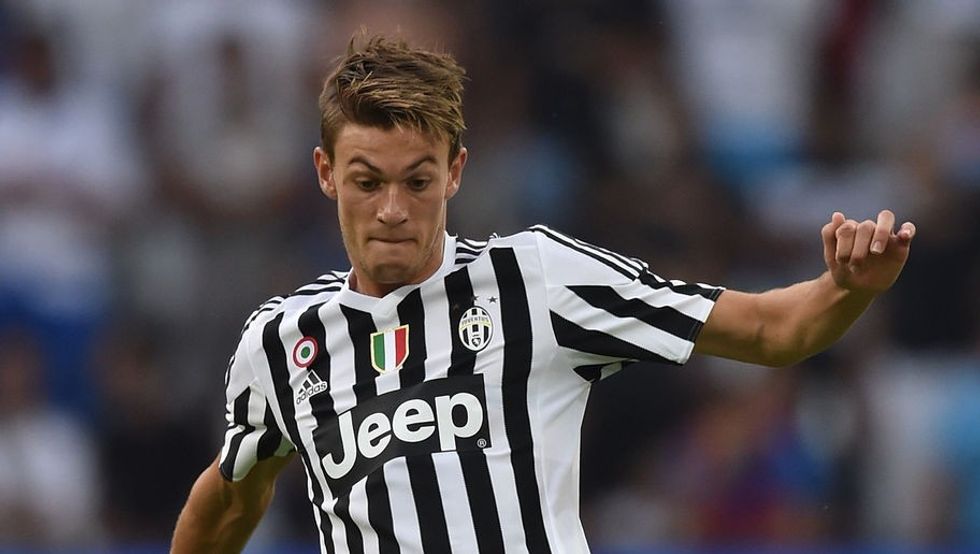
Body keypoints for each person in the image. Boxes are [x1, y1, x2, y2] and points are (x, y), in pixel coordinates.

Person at [170, 35, 915, 553]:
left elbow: (765, 331)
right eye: (367, 182)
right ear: (327, 173)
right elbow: (232, 496)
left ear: (456, 172)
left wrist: (844, 289)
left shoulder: (536, 280)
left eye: (418, 180)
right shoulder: (281, 342)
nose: (393, 209)